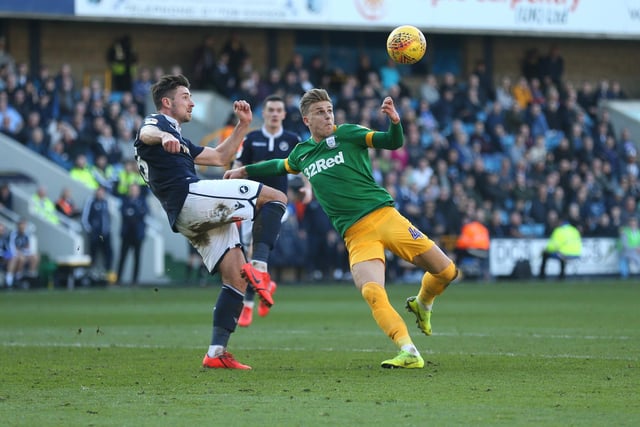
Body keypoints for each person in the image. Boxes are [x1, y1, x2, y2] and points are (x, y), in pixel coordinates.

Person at [225, 88, 458, 369]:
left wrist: (395, 122)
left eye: (330, 110)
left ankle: (422, 302)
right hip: (356, 235)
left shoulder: (348, 133)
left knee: (446, 271)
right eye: (320, 112)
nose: (327, 116)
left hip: (385, 217)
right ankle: (408, 350)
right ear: (306, 119)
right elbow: (280, 165)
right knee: (373, 293)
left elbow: (391, 142)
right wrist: (244, 170)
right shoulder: (302, 153)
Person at [133, 74, 287, 370]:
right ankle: (261, 268)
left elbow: (220, 157)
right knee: (276, 197)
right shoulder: (159, 123)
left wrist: (243, 125)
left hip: (187, 215)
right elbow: (146, 132)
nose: (191, 103)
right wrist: (164, 136)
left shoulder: (178, 136)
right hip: (190, 197)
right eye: (186, 97)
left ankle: (216, 352)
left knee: (235, 279)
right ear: (167, 103)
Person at [233, 94, 311, 327]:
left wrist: (307, 187)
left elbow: (302, 166)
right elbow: (239, 166)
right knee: (247, 255)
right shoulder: (252, 138)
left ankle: (247, 306)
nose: (275, 113)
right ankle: (266, 285)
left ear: (284, 115)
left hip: (277, 203)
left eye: (279, 110)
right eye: (271, 110)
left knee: (256, 247)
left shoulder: (292, 138)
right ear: (264, 114)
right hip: (250, 201)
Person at [82, 186, 116, 283]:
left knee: (108, 254)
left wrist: (108, 229)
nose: (101, 194)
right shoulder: (91, 202)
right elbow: (85, 218)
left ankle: (107, 274)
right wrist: (90, 230)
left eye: (102, 192)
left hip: (105, 234)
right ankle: (91, 276)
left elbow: (108, 217)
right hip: (95, 234)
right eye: (99, 192)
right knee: (93, 254)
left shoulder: (106, 202)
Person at [116, 183, 148, 285]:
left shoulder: (142, 201)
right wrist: (134, 212)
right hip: (127, 233)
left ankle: (135, 280)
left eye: (135, 189)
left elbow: (143, 212)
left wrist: (132, 212)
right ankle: (118, 279)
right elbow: (123, 212)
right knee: (122, 257)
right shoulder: (125, 200)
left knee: (137, 258)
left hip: (137, 234)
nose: (133, 191)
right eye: (132, 189)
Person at [5, 219, 40, 288]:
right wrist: (19, 253)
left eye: (24, 225)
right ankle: (14, 279)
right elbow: (11, 247)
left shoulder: (27, 235)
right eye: (21, 225)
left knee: (35, 257)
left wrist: (25, 253)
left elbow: (29, 248)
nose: (23, 227)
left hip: (23, 254)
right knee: (21, 258)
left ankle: (31, 276)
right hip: (11, 254)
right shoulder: (13, 234)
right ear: (18, 226)